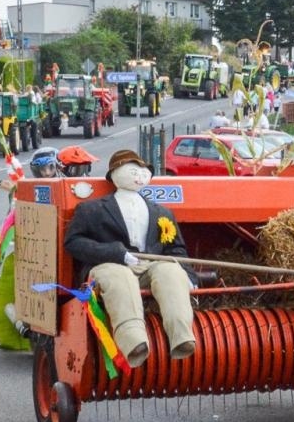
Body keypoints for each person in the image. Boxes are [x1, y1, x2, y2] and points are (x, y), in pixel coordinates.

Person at [63, 150, 196, 367]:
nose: (139, 176)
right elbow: (73, 242)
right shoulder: (93, 209)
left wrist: (188, 275)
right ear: (114, 175)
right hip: (107, 267)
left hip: (149, 266)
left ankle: (182, 336)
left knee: (170, 270)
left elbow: (176, 249)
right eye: (132, 171)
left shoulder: (161, 212)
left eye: (144, 172)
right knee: (120, 276)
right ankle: (133, 341)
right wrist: (115, 252)